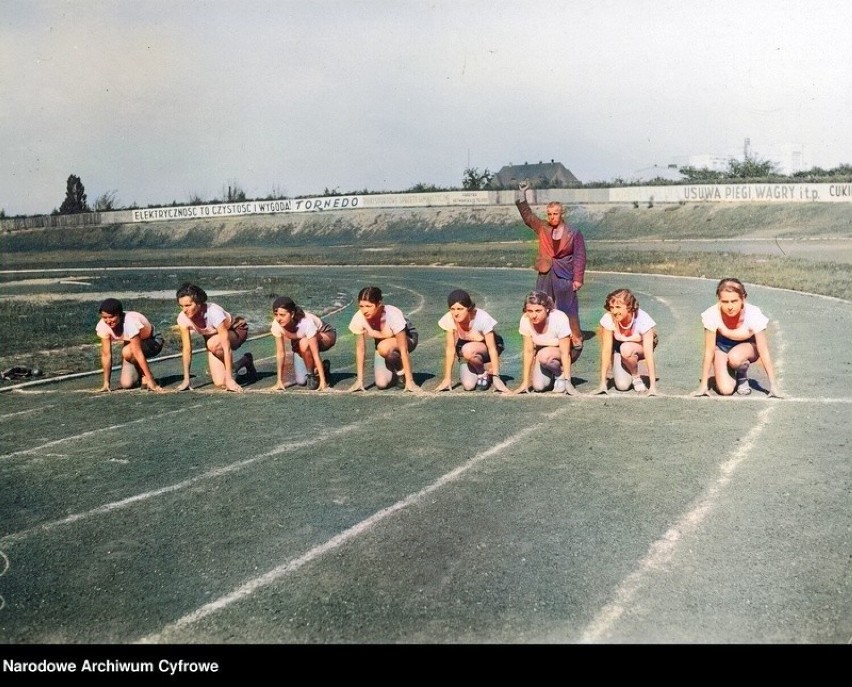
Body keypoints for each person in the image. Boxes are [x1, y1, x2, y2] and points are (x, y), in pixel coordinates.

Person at [515, 181, 586, 359]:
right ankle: (539, 339)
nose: (552, 217)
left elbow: (579, 257)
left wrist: (577, 279)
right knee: (541, 306)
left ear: (563, 214)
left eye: (555, 214)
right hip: (545, 272)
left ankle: (575, 339)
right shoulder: (542, 228)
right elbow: (527, 216)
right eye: (549, 214)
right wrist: (522, 194)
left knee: (567, 308)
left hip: (565, 274)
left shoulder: (574, 232)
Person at [693, 277, 781, 398]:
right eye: (725, 302)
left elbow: (763, 351)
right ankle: (728, 369)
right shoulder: (711, 314)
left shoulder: (754, 314)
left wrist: (773, 385)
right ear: (719, 300)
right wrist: (704, 385)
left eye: (734, 301)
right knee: (725, 390)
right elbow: (709, 351)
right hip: (722, 348)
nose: (730, 307)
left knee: (735, 357)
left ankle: (742, 373)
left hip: (748, 349)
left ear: (743, 299)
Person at [175, 282, 256, 392]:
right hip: (214, 342)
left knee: (213, 344)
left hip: (235, 331)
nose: (184, 310)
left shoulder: (214, 311)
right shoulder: (182, 317)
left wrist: (230, 379)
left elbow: (226, 347)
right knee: (220, 382)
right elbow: (187, 349)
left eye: (188, 305)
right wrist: (186, 379)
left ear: (199, 303)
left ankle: (230, 373)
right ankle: (245, 361)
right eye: (181, 306)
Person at [434, 289, 509, 392]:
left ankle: (482, 373)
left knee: (468, 350)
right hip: (465, 351)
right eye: (452, 309)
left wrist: (496, 376)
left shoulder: (482, 318)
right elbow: (450, 349)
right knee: (468, 386)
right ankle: (480, 370)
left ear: (469, 308)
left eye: (460, 309)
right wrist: (447, 378)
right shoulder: (449, 319)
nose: (456, 313)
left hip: (487, 348)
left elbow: (492, 348)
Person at [348, 286, 419, 392]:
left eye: (368, 306)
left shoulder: (392, 314)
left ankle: (402, 373)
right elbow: (360, 350)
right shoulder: (359, 318)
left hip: (408, 338)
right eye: (361, 306)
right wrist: (359, 380)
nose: (364, 310)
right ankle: (394, 367)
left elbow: (403, 350)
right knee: (381, 384)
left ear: (379, 304)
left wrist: (410, 381)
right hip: (383, 344)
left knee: (384, 347)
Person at [595, 288, 658, 395]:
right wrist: (603, 383)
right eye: (612, 307)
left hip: (641, 347)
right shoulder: (608, 318)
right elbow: (606, 350)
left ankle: (636, 377)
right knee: (622, 386)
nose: (614, 311)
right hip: (620, 348)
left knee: (626, 348)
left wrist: (652, 387)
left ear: (629, 307)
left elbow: (649, 354)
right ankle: (632, 372)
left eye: (618, 307)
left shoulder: (643, 319)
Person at [513, 290, 578, 394]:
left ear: (547, 309)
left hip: (569, 350)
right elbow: (529, 351)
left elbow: (565, 353)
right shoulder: (525, 320)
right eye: (530, 311)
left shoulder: (559, 318)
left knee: (544, 355)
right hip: (543, 352)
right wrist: (525, 383)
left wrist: (568, 381)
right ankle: (553, 373)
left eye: (538, 311)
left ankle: (561, 375)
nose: (533, 315)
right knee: (539, 387)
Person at [95, 298, 164, 392]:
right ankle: (141, 376)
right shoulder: (103, 325)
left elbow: (137, 352)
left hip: (153, 340)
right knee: (126, 383)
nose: (108, 321)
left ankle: (147, 377)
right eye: (105, 317)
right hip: (131, 346)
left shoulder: (130, 322)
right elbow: (106, 355)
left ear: (119, 314)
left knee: (127, 351)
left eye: (111, 317)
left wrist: (151, 381)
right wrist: (106, 383)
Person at [271, 296, 336, 391]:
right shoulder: (277, 324)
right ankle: (323, 367)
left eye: (282, 315)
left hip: (326, 335)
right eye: (276, 315)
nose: (278, 318)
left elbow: (315, 353)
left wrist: (323, 382)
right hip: (302, 342)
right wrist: (279, 381)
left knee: (304, 342)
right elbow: (280, 353)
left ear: (292, 314)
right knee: (301, 381)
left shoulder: (306, 322)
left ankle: (312, 374)